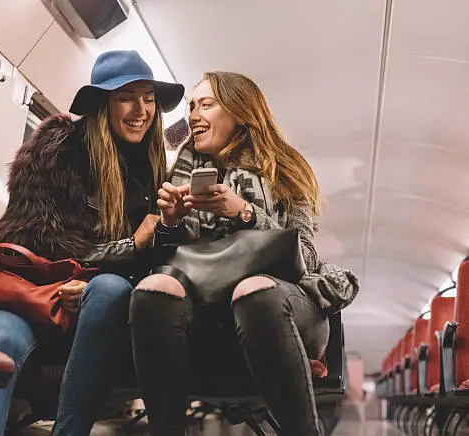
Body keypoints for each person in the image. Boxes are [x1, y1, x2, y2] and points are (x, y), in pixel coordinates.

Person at [0, 50, 184, 436]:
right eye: (127, 97)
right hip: (37, 297)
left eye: (149, 98)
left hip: (103, 314)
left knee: (108, 289)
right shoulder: (55, 151)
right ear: (103, 103)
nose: (141, 109)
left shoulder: (157, 171)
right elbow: (26, 237)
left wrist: (166, 229)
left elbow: (157, 268)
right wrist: (113, 254)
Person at [129, 71, 358, 436]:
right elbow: (172, 264)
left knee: (252, 290)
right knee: (155, 287)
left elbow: (306, 258)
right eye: (191, 106)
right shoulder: (182, 174)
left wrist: (245, 213)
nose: (193, 115)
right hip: (208, 305)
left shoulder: (285, 171)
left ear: (239, 111)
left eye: (206, 104)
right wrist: (170, 223)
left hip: (282, 302)